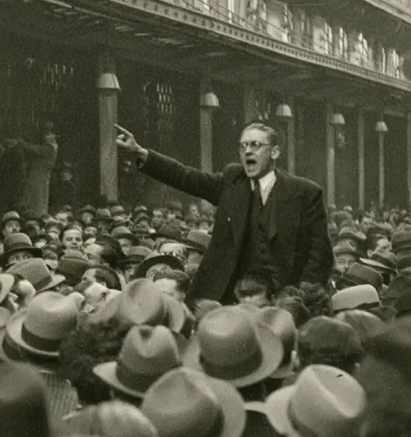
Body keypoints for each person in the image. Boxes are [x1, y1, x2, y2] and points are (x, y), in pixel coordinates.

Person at [116, 122, 332, 303]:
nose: (247, 151)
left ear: (274, 152)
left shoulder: (305, 193)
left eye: (255, 145)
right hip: (227, 296)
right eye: (243, 146)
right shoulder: (233, 180)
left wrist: (300, 298)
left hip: (282, 299)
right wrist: (142, 154)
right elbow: (186, 176)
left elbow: (319, 255)